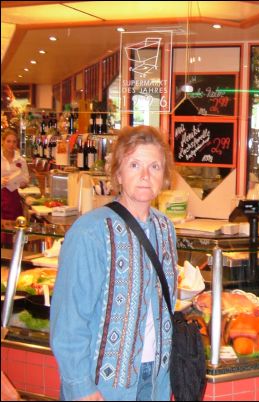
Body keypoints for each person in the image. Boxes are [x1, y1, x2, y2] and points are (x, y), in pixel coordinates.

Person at [50, 126, 178, 401]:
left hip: (155, 379)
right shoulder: (90, 231)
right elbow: (69, 319)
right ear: (118, 173)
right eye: (134, 165)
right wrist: (80, 387)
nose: (145, 176)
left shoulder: (165, 228)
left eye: (154, 166)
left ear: (164, 176)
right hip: (105, 387)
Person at [1, 128, 29, 220]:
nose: (11, 144)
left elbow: (26, 179)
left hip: (13, 198)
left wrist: (23, 183)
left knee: (14, 227)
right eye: (8, 141)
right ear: (2, 141)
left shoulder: (21, 160)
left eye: (14, 142)